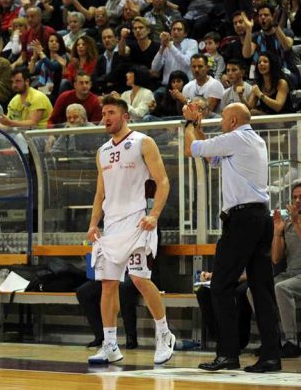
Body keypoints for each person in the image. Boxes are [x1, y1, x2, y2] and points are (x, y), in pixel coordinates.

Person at [183, 102, 281, 372]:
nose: (221, 122)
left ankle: (228, 354)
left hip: (242, 221)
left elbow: (191, 149)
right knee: (261, 290)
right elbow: (211, 157)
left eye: (224, 118)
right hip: (260, 218)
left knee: (220, 285)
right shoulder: (254, 140)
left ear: (234, 120)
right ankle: (271, 356)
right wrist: (199, 129)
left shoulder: (236, 138)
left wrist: (188, 123)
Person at [86, 96, 175, 365]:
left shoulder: (142, 142)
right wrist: (93, 224)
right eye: (103, 113)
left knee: (139, 279)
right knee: (107, 285)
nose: (106, 118)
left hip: (138, 222)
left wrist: (154, 214)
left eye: (111, 112)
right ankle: (110, 344)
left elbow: (163, 181)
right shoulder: (101, 151)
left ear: (125, 116)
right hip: (111, 226)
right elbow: (100, 193)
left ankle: (164, 334)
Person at [271, 183, 301, 358]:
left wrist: (297, 222)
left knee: (282, 288)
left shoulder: (294, 222)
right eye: (294, 197)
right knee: (255, 290)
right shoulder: (288, 224)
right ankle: (272, 340)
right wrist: (277, 233)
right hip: (291, 273)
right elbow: (276, 258)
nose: (297, 201)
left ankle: (292, 342)